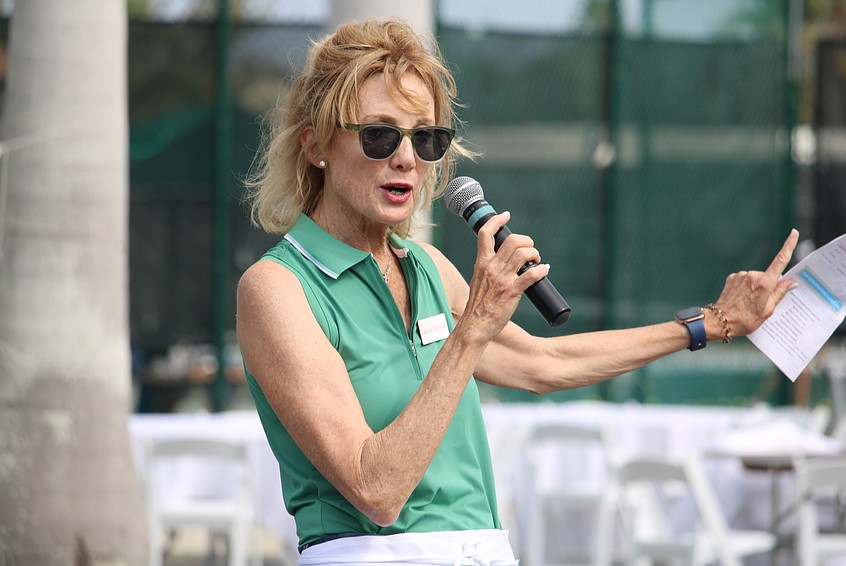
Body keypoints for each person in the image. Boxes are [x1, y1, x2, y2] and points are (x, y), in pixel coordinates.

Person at [236, 18, 799, 565]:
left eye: (426, 138)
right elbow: (375, 490)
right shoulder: (277, 288)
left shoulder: (427, 265)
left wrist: (713, 321)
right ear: (316, 145)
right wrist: (474, 326)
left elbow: (544, 362)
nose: (407, 157)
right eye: (380, 134)